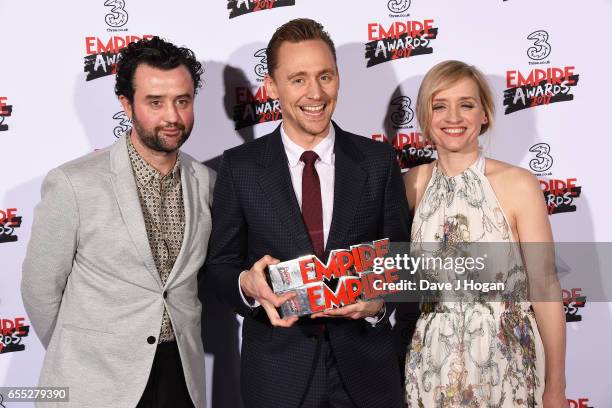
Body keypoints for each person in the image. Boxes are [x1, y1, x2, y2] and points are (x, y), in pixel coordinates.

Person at [204, 18, 411, 408]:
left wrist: (380, 301)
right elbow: (220, 265)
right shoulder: (240, 167)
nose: (315, 93)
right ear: (272, 86)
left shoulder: (377, 161)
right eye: (298, 79)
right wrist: (248, 285)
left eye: (325, 76)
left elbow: (400, 256)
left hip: (366, 373)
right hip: (277, 374)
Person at [21, 37, 214, 408]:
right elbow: (39, 289)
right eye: (155, 102)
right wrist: (81, 351)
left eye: (183, 101)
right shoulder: (73, 183)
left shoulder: (206, 182)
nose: (172, 116)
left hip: (180, 376)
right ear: (126, 104)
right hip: (96, 381)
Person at [403, 60, 567, 407]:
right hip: (430, 366)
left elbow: (545, 284)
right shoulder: (410, 185)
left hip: (507, 365)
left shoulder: (518, 184)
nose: (454, 117)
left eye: (466, 104)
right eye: (440, 106)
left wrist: (556, 385)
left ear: (485, 114)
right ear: (424, 117)